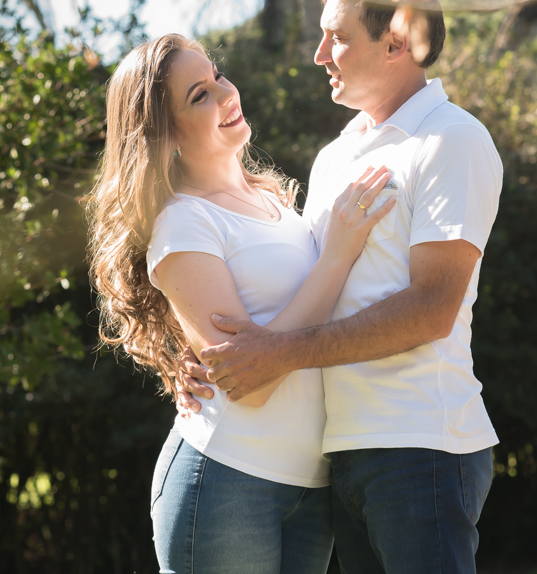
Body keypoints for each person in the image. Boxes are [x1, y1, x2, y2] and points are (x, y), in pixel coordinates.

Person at [177, 0, 504, 574]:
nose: (320, 53)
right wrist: (197, 347)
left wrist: (285, 352)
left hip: (421, 446)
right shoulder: (335, 157)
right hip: (339, 454)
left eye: (338, 37)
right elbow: (287, 277)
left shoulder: (451, 139)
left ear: (397, 42)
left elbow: (433, 307)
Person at [87, 32, 397, 574]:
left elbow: (282, 324)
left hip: (311, 483)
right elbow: (249, 381)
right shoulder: (184, 222)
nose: (226, 94)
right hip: (227, 481)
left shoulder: (272, 199)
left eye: (217, 77)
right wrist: (337, 257)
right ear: (166, 136)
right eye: (199, 96)